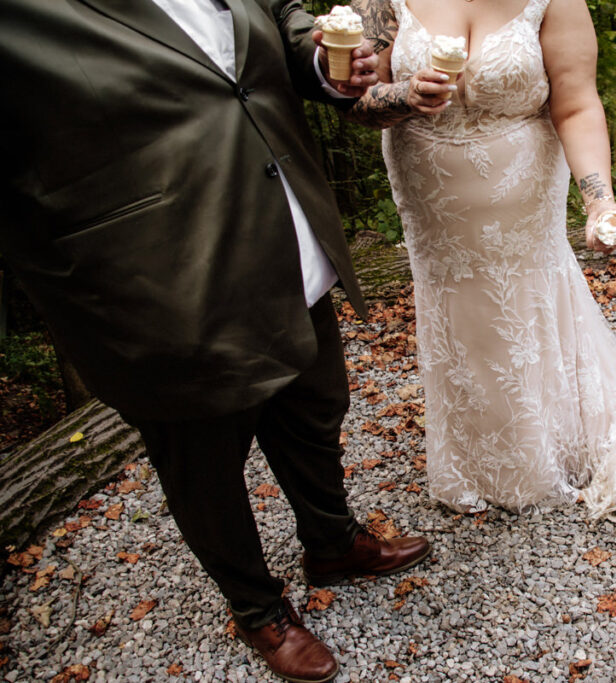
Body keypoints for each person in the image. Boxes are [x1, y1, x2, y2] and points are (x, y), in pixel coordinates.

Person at [0, 2, 429, 681]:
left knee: (316, 409)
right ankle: (257, 607)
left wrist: (325, 60)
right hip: (160, 282)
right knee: (205, 464)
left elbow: (280, 21)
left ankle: (332, 541)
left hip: (289, 241)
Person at [344, 0, 616, 529]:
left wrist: (599, 200)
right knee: (457, 313)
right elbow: (352, 99)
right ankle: (474, 456)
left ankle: (554, 443)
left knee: (527, 303)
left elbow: (576, 105)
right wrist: (405, 95)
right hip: (431, 196)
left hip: (523, 187)